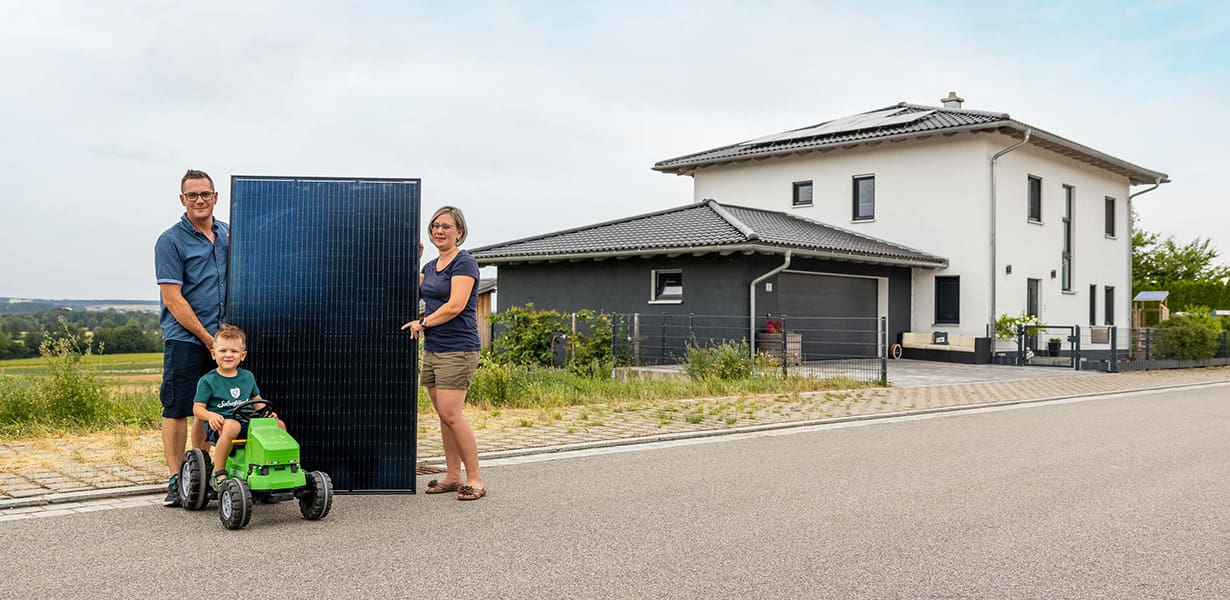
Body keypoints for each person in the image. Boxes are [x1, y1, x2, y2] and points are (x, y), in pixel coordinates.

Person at [154, 169, 228, 507]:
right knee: (178, 407)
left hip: (222, 338)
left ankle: (199, 475)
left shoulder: (229, 235)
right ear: (182, 200)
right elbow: (173, 298)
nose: (199, 200)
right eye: (192, 195)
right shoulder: (170, 241)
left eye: (205, 194)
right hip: (185, 339)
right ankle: (175, 478)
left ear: (215, 197)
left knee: (208, 407)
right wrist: (206, 338)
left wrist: (221, 340)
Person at [402, 206, 486, 500]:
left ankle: (475, 478)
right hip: (436, 348)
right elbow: (409, 292)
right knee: (443, 415)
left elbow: (455, 305)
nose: (439, 230)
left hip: (458, 348)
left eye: (446, 227)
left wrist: (423, 323)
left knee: (453, 413)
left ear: (459, 232)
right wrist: (413, 258)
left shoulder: (464, 263)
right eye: (435, 226)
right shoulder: (430, 266)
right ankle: (452, 475)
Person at [192, 324, 285, 491]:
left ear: (242, 356)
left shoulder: (247, 377)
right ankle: (218, 472)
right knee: (231, 425)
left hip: (247, 422)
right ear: (214, 354)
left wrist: (268, 415)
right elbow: (197, 409)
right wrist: (211, 416)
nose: (228, 355)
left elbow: (257, 401)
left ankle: (278, 466)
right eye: (223, 351)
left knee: (279, 425)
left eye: (234, 352)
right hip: (219, 425)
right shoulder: (208, 381)